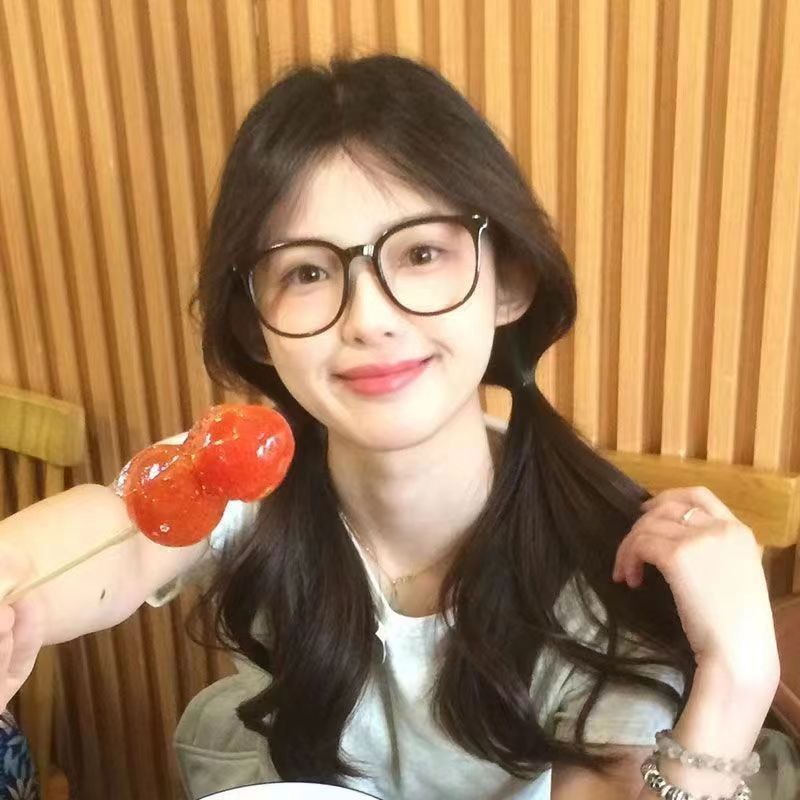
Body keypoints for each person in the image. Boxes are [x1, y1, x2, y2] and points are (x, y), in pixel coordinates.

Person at [0, 54, 792, 800]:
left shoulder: (602, 564)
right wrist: (12, 583)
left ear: (509, 282)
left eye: (420, 254)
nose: (370, 318)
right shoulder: (245, 478)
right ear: (255, 325)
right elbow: (111, 540)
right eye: (308, 271)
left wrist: (737, 680)